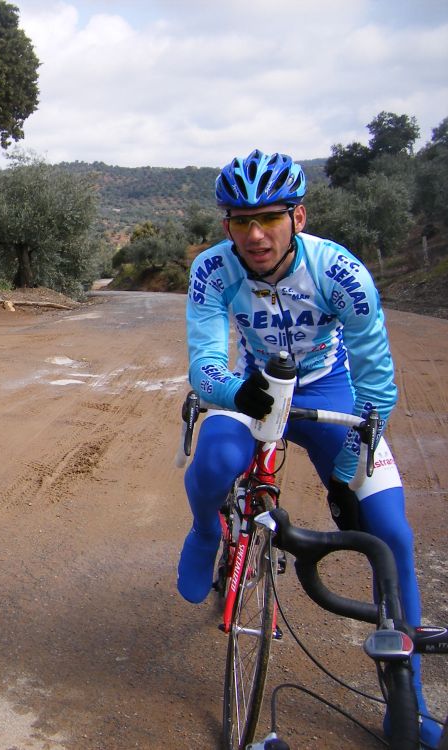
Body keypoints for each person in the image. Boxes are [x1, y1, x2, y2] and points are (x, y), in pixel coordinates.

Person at [177, 149, 441, 746]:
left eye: (270, 218)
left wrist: (345, 473)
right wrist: (234, 392)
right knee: (216, 460)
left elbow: (377, 382)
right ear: (226, 226)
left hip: (331, 387)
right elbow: (205, 361)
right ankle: (205, 531)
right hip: (254, 384)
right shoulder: (213, 268)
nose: (255, 235)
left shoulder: (339, 271)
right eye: (241, 221)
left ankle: (410, 701)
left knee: (390, 533)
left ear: (297, 217)